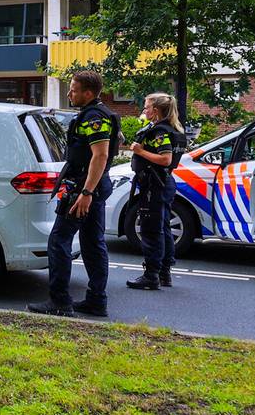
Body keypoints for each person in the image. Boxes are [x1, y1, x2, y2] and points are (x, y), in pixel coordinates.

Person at [29, 71, 120, 318]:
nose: (69, 93)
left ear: (88, 93)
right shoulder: (97, 113)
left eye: (73, 89)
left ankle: (59, 301)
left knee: (58, 242)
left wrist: (86, 192)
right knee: (93, 244)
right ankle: (96, 301)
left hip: (84, 188)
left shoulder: (95, 117)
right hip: (91, 186)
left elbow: (100, 155)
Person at [126, 93, 187, 290]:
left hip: (155, 184)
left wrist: (139, 151)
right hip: (163, 183)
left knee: (151, 230)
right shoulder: (171, 128)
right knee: (163, 227)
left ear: (157, 110)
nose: (144, 110)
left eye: (147, 107)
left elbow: (166, 159)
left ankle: (151, 275)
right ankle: (164, 273)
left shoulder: (160, 132)